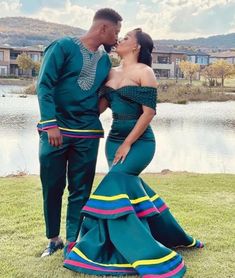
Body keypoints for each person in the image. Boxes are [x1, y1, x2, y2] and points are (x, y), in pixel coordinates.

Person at [63, 28, 204, 277]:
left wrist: (128, 143)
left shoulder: (145, 72)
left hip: (140, 143)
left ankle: (142, 250)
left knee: (115, 183)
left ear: (137, 47)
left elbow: (148, 113)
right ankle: (173, 234)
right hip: (113, 141)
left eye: (126, 38)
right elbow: (98, 109)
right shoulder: (110, 72)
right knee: (125, 190)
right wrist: (64, 114)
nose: (120, 40)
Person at [36, 8, 122, 257]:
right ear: (103, 28)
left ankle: (73, 241)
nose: (117, 38)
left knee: (81, 188)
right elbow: (45, 85)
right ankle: (54, 239)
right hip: (56, 130)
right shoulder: (62, 46)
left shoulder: (105, 61)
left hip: (88, 133)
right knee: (52, 185)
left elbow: (101, 93)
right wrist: (50, 123)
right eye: (116, 32)